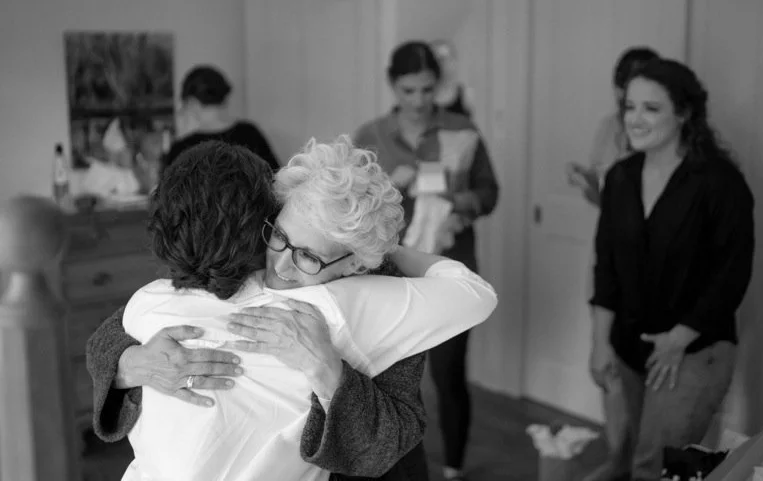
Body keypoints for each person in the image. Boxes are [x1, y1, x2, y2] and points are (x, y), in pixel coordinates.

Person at [88, 138, 497, 481]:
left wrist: (328, 372)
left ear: (356, 263)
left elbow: (389, 443)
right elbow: (117, 329)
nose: (280, 266)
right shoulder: (247, 257)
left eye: (309, 258)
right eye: (279, 236)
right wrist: (133, 362)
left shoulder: (382, 296)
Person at [589, 58, 754, 481]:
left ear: (684, 113)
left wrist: (678, 339)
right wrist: (600, 342)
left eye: (651, 108)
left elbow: (731, 275)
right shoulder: (621, 178)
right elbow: (606, 267)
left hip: (694, 350)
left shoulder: (719, 182)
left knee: (657, 467)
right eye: (630, 107)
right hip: (629, 346)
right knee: (629, 457)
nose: (635, 119)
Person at [354, 41, 499, 481]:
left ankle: (453, 467)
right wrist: (386, 189)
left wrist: (458, 203)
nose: (419, 101)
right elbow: (352, 204)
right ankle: (396, 465)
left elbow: (490, 193)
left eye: (427, 89)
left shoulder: (462, 129)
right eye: (409, 90)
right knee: (393, 377)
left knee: (449, 374)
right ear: (392, 85)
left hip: (446, 269)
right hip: (387, 274)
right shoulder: (371, 136)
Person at [567, 47, 660, 481]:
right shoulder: (608, 128)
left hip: (654, 264)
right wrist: (588, 181)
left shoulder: (674, 137)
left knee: (650, 368)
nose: (630, 103)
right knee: (609, 362)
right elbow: (605, 200)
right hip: (610, 256)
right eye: (624, 91)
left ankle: (645, 461)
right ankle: (617, 456)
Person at [567, 47, 660, 206]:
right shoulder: (608, 126)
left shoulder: (665, 135)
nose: (621, 96)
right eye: (619, 85)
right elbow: (600, 179)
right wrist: (586, 179)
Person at [166, 64, 281, 171]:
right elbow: (276, 180)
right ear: (225, 97)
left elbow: (165, 190)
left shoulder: (181, 150)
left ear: (191, 102)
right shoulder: (250, 134)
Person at [431, 39, 473, 118]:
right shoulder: (422, 94)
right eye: (434, 60)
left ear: (453, 61)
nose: (438, 64)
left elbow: (471, 127)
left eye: (442, 59)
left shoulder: (466, 94)